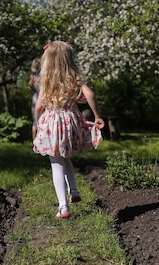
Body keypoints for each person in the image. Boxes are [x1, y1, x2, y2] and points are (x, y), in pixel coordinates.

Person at [33, 41, 105, 218]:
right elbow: (90, 95)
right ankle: (73, 190)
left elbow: (39, 105)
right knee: (65, 157)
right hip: (70, 120)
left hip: (52, 122)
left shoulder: (46, 80)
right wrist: (97, 116)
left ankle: (63, 206)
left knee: (56, 162)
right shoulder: (74, 77)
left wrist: (37, 122)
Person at [28, 57, 41, 140]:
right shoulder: (41, 76)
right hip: (42, 98)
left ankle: (34, 140)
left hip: (35, 98)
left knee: (35, 121)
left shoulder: (32, 77)